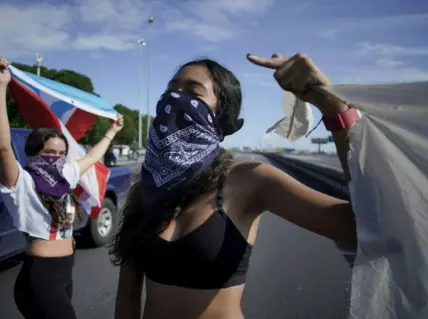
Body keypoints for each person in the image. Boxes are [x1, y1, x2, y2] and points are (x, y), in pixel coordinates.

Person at [110, 52, 357, 319]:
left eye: (193, 91)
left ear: (221, 113)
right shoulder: (146, 188)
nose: (175, 98)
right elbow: (128, 295)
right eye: (171, 90)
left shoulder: (250, 180)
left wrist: (333, 108)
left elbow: (354, 225)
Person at [0, 57, 124, 319]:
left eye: (61, 153)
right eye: (49, 151)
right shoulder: (21, 180)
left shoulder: (65, 175)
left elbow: (92, 157)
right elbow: (2, 145)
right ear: (32, 153)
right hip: (40, 278)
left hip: (64, 272)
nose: (56, 158)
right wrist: (0, 87)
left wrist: (112, 132)